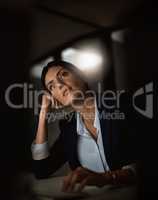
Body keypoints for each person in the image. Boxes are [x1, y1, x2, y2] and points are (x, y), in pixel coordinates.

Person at [31, 60, 136, 192]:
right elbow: (41, 170)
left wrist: (108, 177)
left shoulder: (123, 104)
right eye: (51, 87)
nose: (60, 85)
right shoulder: (68, 128)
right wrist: (43, 113)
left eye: (63, 74)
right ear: (54, 98)